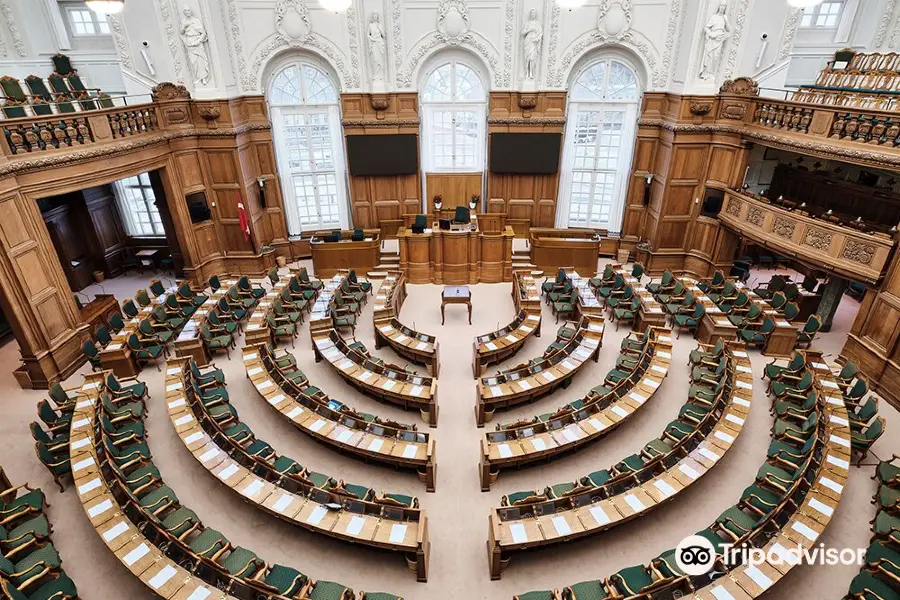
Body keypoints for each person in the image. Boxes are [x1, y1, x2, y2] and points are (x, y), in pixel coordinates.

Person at [700, 0, 730, 80]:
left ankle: (711, 72)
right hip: (713, 38)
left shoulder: (724, 18)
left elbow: (728, 29)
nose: (722, 7)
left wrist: (726, 20)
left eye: (724, 6)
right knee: (710, 55)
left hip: (719, 40)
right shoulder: (714, 17)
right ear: (719, 7)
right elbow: (706, 28)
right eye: (721, 5)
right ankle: (706, 73)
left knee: (716, 56)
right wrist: (711, 34)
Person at [181, 6, 211, 86]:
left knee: (200, 60)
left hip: (196, 41)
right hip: (189, 43)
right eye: (186, 11)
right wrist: (184, 27)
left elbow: (203, 33)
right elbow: (181, 32)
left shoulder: (196, 21)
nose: (187, 12)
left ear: (190, 12)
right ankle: (198, 77)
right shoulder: (184, 21)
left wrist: (198, 41)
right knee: (193, 61)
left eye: (188, 11)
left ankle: (204, 77)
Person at [521, 9, 543, 81]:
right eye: (531, 14)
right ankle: (526, 73)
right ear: (530, 15)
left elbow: (540, 33)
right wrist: (530, 29)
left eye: (534, 14)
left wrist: (537, 38)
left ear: (535, 15)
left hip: (534, 42)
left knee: (532, 58)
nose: (532, 15)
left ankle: (531, 73)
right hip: (528, 41)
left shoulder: (538, 24)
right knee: (527, 58)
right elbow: (522, 33)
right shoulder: (527, 23)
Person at [368, 13, 386, 82]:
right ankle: (375, 75)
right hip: (374, 43)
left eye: (376, 16)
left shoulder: (379, 25)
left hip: (379, 43)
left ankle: (381, 75)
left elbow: (383, 35)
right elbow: (368, 35)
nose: (375, 17)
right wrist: (372, 39)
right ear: (372, 17)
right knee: (375, 59)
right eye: (374, 16)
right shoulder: (370, 25)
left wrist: (379, 28)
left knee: (380, 59)